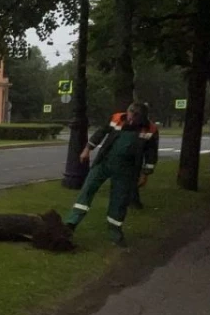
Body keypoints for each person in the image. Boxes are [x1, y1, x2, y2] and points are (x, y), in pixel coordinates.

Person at [65, 102, 159, 247]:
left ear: (143, 117)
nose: (131, 121)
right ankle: (71, 223)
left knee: (119, 200)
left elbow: (151, 153)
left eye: (136, 119)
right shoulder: (116, 118)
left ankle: (115, 231)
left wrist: (145, 173)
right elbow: (101, 133)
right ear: (128, 112)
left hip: (127, 170)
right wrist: (87, 149)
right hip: (104, 163)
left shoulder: (150, 129)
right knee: (87, 190)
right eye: (130, 117)